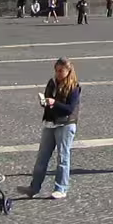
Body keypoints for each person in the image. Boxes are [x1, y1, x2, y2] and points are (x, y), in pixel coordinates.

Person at [25, 58, 81, 200]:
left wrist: (54, 103)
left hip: (66, 124)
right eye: (56, 71)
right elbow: (49, 102)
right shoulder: (52, 83)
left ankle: (61, 188)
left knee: (63, 157)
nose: (58, 74)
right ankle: (34, 187)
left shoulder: (74, 87)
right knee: (42, 157)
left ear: (68, 71)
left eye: (61, 71)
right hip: (50, 123)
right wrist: (45, 102)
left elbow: (69, 109)